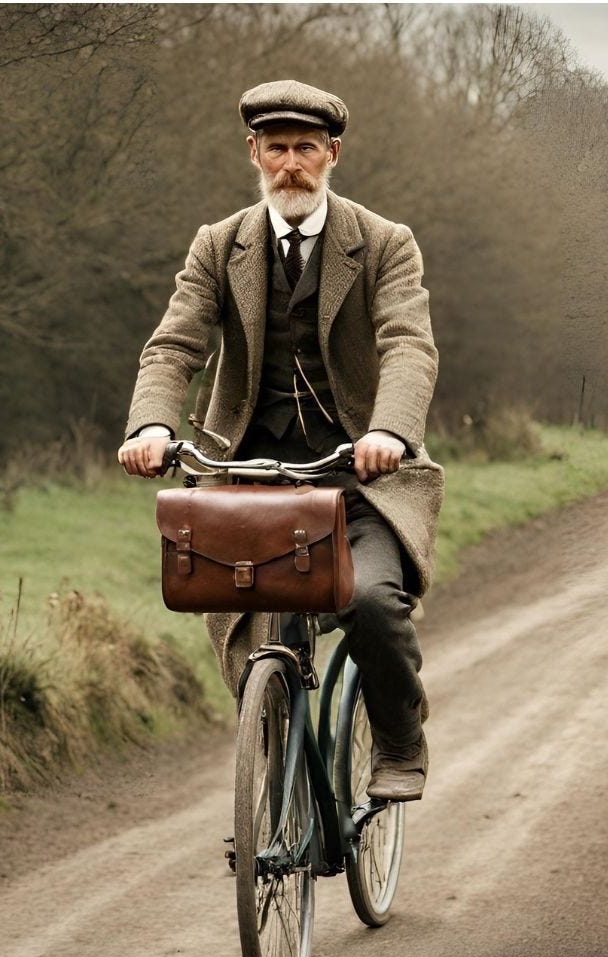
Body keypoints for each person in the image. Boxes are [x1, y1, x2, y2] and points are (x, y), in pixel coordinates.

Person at [118, 80, 443, 801]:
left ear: (332, 154)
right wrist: (152, 425)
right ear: (254, 154)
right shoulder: (219, 244)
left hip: (361, 478)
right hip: (251, 476)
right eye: (276, 149)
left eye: (304, 149)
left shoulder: (384, 244)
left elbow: (408, 345)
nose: (290, 164)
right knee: (252, 629)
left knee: (371, 602)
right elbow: (174, 345)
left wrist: (389, 430)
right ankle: (277, 800)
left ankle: (399, 741)